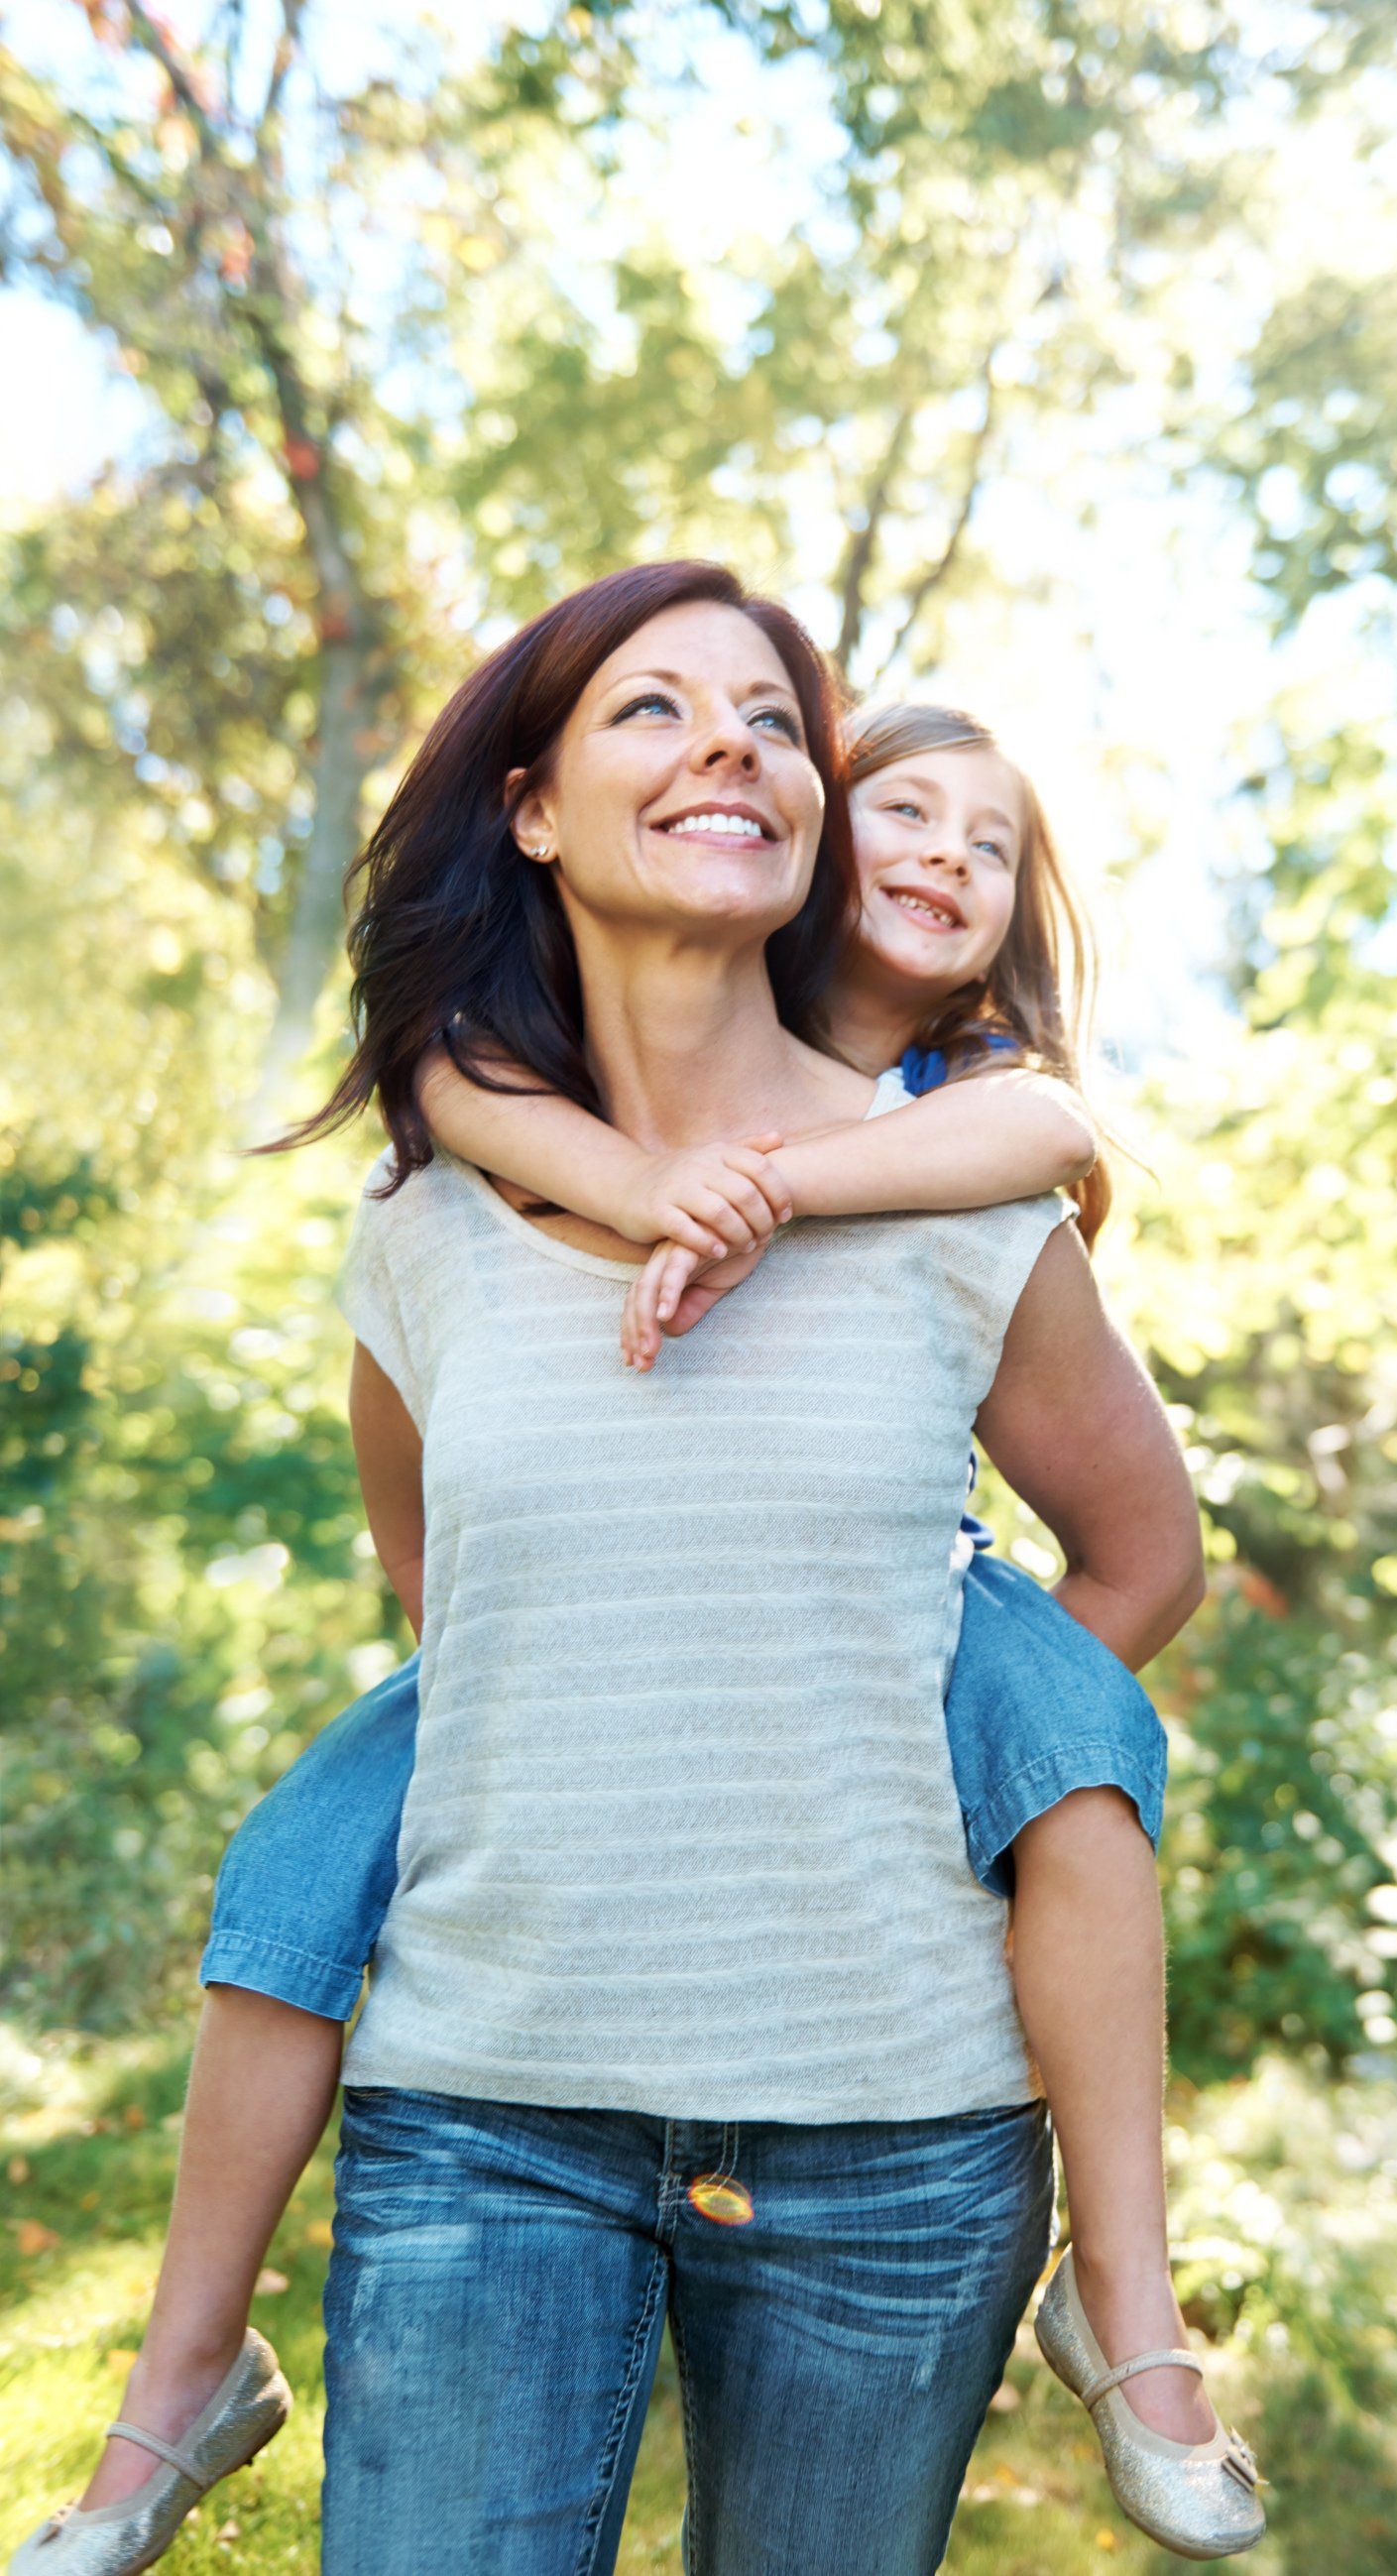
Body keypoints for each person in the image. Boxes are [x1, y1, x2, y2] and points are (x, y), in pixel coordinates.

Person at [9, 567, 1262, 2575]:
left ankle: (1133, 2317)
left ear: (808, 822)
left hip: (897, 2143)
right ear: (533, 807)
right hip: (480, 2113)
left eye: (772, 718)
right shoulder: (429, 1218)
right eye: (655, 711)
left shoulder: (965, 1181)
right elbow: (437, 1585)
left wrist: (937, 1755)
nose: (730, 749)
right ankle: (184, 2373)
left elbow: (1142, 1555)